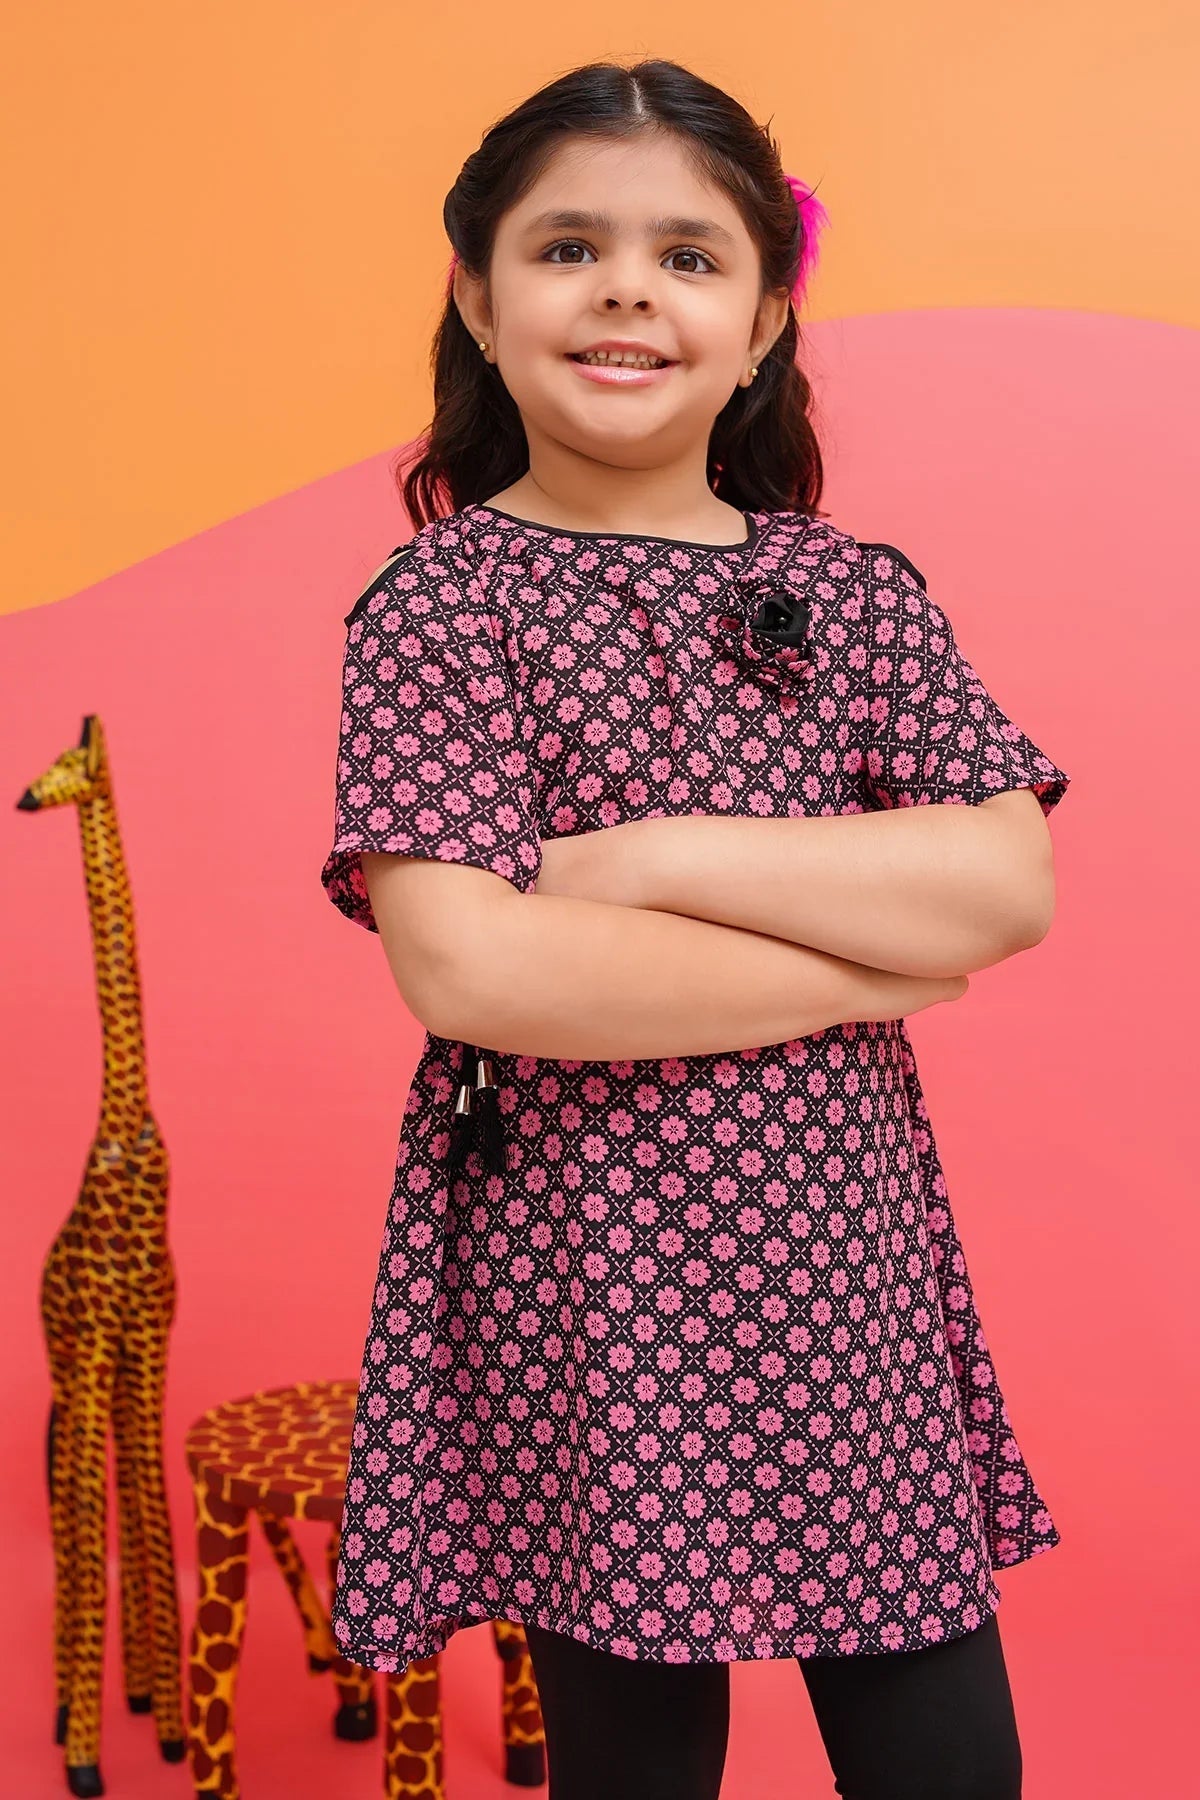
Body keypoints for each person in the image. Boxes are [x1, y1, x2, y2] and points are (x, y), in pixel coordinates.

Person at [319, 55, 1071, 1800]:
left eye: (687, 255)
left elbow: (1003, 885)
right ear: (478, 301)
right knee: (635, 1753)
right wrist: (873, 965)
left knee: (942, 1747)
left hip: (844, 1263)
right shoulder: (440, 604)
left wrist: (642, 855)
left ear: (763, 321)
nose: (627, 292)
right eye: (568, 248)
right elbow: (474, 967)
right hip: (580, 1269)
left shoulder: (854, 592)